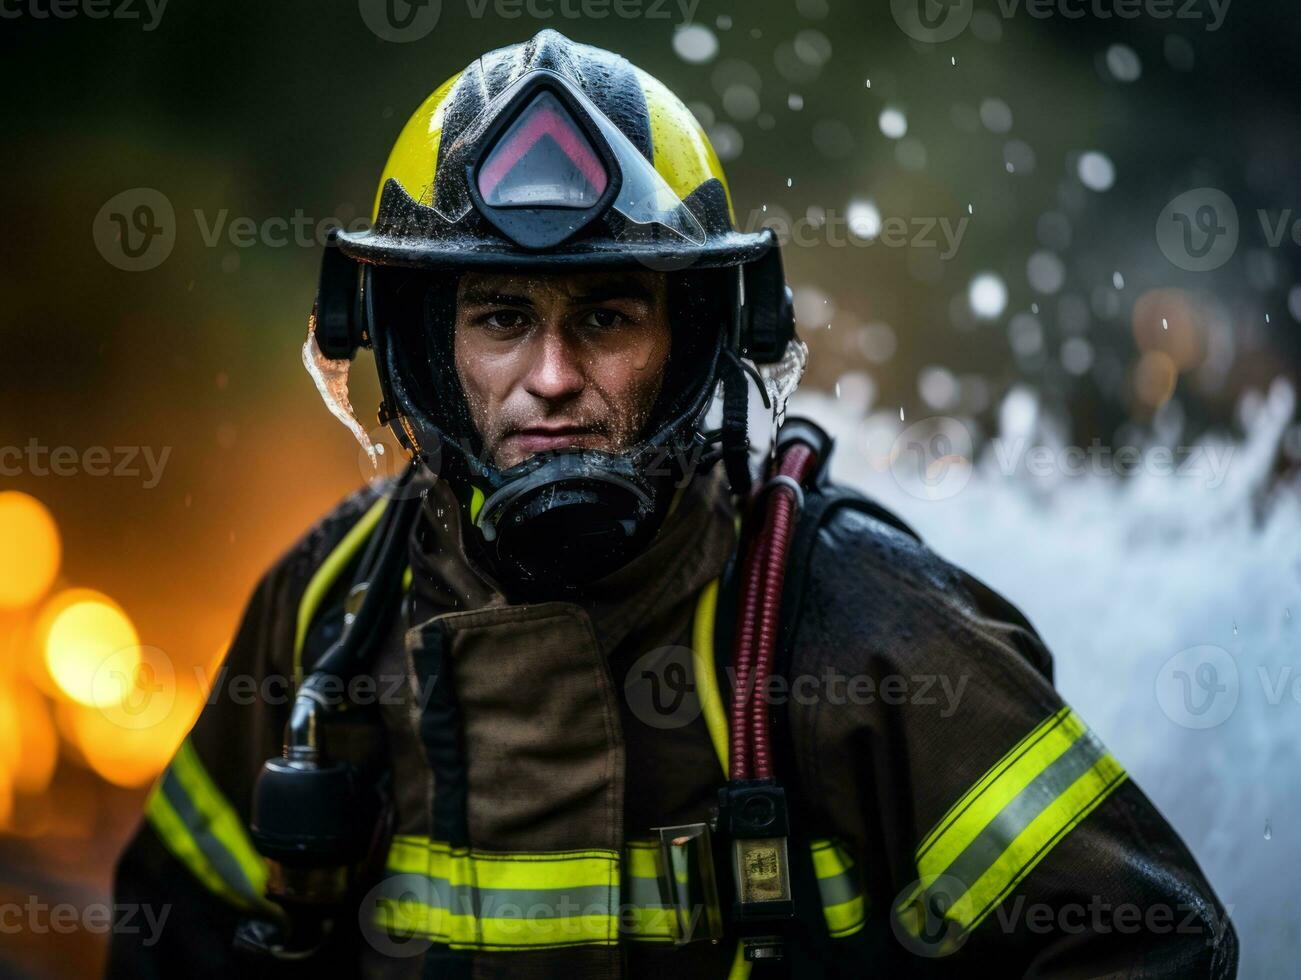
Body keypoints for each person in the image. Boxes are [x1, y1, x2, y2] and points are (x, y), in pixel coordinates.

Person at [108, 30, 1237, 980]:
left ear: (695, 339)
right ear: (418, 349)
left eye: (605, 318)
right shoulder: (324, 616)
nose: (550, 375)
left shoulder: (856, 626)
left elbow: (1150, 941)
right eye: (499, 318)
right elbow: (169, 935)